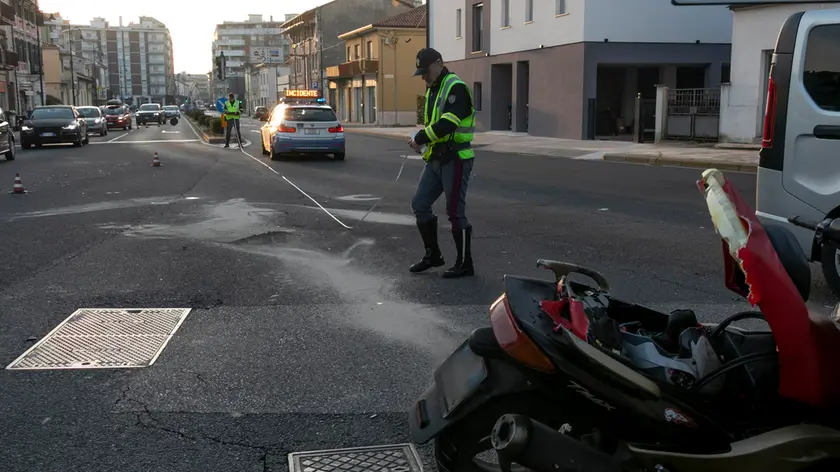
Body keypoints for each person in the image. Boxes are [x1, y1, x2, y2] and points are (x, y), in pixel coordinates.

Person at [407, 48, 476, 279]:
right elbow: (434, 124)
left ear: (438, 63)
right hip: (436, 158)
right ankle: (433, 255)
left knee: (455, 212)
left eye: (425, 71)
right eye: (421, 73)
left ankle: (465, 263)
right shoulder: (433, 89)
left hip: (456, 158)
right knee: (420, 204)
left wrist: (420, 137)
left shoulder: (455, 87)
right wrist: (424, 143)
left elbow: (448, 123)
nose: (424, 77)